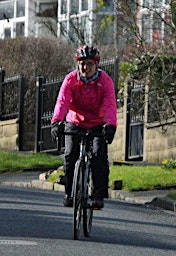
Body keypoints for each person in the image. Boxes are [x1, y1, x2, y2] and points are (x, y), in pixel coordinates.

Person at [50, 45, 117, 209]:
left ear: (96, 65)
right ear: (77, 64)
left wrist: (110, 125)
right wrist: (56, 121)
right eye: (82, 64)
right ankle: (70, 193)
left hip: (97, 123)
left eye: (90, 64)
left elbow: (110, 104)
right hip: (76, 122)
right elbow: (62, 101)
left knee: (99, 156)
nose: (86, 67)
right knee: (70, 155)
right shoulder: (71, 80)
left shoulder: (105, 81)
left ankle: (98, 196)